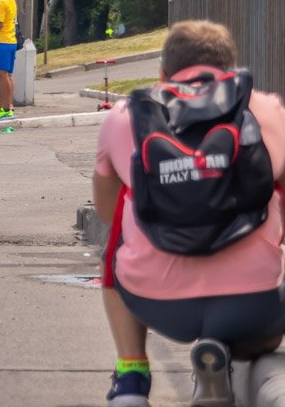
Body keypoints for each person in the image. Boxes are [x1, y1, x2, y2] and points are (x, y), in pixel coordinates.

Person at [94, 20, 285, 407]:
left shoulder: (126, 114)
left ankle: (131, 378)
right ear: (230, 70)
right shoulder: (268, 109)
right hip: (253, 303)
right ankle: (225, 358)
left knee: (118, 231)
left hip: (156, 302)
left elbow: (104, 209)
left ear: (164, 73)